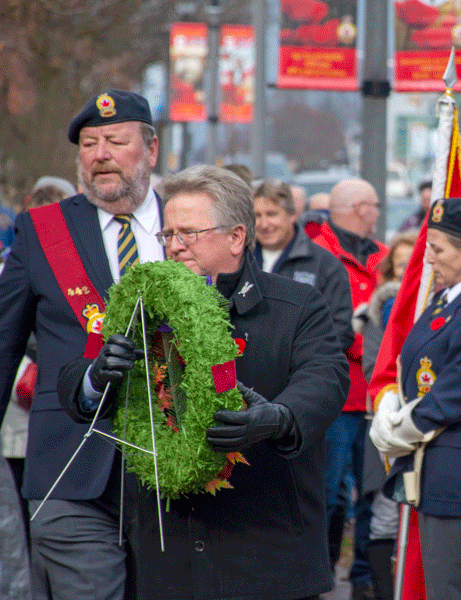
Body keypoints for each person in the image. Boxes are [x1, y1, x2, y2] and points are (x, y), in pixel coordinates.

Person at [58, 165, 349, 599]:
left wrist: (280, 417)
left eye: (188, 234)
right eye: (167, 234)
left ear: (235, 237)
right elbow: (71, 378)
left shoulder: (295, 305)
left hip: (265, 559)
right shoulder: (143, 306)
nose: (174, 247)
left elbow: (325, 379)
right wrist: (96, 376)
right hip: (169, 559)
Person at [0, 90, 162, 600]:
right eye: (89, 145)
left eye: (116, 141)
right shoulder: (43, 229)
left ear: (152, 150)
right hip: (68, 464)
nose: (100, 154)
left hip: (171, 471)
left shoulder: (188, 222)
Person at [371, 197, 461, 600]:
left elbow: (457, 389)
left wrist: (398, 427)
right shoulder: (449, 296)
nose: (428, 259)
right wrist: (391, 405)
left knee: (449, 588)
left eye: (437, 249)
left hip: (454, 473)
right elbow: (415, 365)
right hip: (430, 466)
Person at [307, 178, 387, 591]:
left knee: (372, 494)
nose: (378, 212)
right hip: (336, 397)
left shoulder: (384, 256)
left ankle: (364, 579)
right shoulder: (316, 253)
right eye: (374, 205)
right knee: (331, 494)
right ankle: (321, 574)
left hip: (377, 398)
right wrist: (368, 341)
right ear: (359, 208)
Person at [354, 230, 417, 600]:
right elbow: (373, 364)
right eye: (399, 263)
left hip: (424, 420)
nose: (405, 269)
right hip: (388, 418)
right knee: (384, 511)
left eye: (413, 262)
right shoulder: (381, 308)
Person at [253, 178, 353, 353]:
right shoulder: (237, 261)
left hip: (301, 373)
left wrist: (300, 361)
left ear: (292, 215)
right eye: (257, 216)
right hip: (243, 372)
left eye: (271, 214)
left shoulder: (324, 265)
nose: (264, 224)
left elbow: (341, 330)